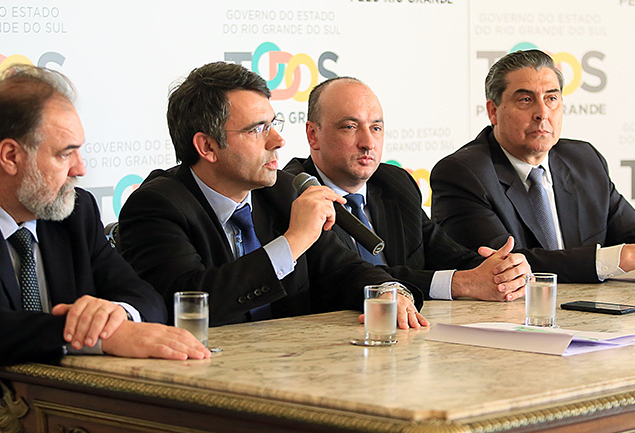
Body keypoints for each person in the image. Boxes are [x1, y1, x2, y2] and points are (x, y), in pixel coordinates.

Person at [0, 66, 209, 433]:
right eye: (65, 153)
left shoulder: (75, 210)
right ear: (10, 156)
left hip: (67, 432)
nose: (80, 169)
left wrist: (117, 315)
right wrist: (93, 337)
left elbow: (142, 295)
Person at [118, 62, 427, 328]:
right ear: (207, 147)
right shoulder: (156, 206)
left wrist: (388, 290)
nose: (278, 140)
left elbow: (343, 270)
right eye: (258, 129)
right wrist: (293, 241)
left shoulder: (281, 191)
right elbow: (188, 302)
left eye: (274, 124)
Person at [431, 49, 635, 283]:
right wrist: (624, 257)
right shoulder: (463, 173)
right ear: (493, 111)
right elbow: (504, 266)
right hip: (511, 322)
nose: (542, 113)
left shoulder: (584, 160)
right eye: (526, 100)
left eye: (551, 98)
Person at [283, 77, 529, 301]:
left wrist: (502, 271)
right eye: (350, 127)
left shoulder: (394, 183)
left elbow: (445, 252)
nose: (368, 143)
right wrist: (460, 283)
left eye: (376, 128)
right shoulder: (290, 193)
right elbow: (349, 277)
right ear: (313, 135)